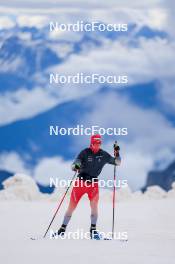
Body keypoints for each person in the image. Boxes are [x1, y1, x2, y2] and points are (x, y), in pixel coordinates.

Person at [55, 134, 121, 239]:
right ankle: (62, 230)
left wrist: (117, 152)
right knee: (72, 207)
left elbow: (117, 162)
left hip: (93, 184)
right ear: (91, 143)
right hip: (80, 183)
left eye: (99, 143)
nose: (96, 145)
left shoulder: (103, 155)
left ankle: (93, 230)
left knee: (94, 206)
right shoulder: (85, 152)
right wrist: (76, 166)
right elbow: (75, 164)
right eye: (95, 143)